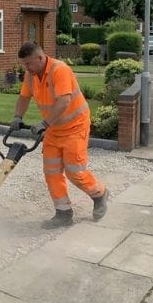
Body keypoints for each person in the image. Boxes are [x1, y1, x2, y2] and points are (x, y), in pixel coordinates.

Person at [10, 41, 107, 228]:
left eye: (28, 63)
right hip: (54, 129)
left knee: (75, 172)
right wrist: (17, 117)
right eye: (24, 64)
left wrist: (44, 123)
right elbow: (23, 97)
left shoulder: (59, 70)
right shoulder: (31, 75)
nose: (26, 68)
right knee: (51, 171)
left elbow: (64, 101)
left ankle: (100, 194)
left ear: (40, 57)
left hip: (75, 126)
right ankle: (63, 212)